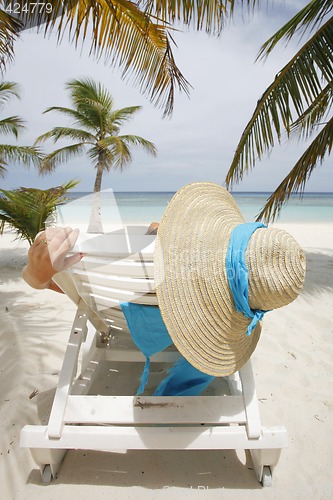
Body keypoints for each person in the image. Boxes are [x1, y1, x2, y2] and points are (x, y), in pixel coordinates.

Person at [22, 223, 160, 292]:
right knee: (155, 226)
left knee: (155, 226)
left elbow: (45, 284)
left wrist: (37, 276)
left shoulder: (112, 288)